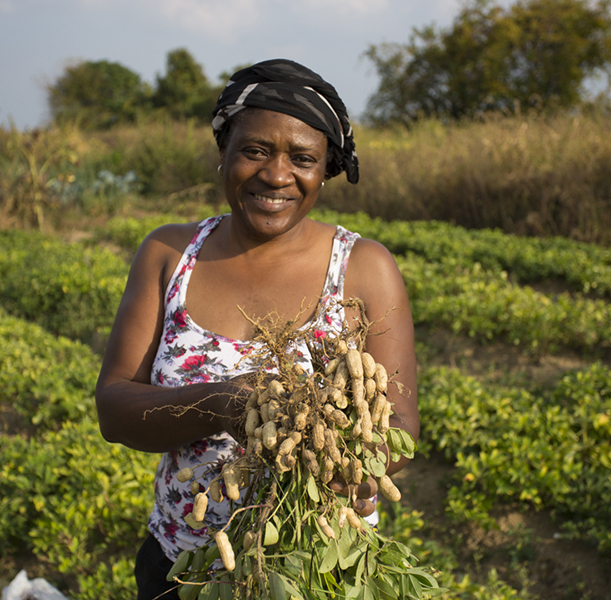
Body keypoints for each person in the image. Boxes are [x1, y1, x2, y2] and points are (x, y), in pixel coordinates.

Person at [95, 58, 420, 600]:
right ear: (223, 154)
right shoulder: (169, 254)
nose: (276, 174)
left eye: (303, 158)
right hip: (186, 570)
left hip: (319, 570)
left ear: (326, 169)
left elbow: (399, 428)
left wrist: (347, 466)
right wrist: (220, 403)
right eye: (254, 151)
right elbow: (113, 408)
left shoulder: (364, 267)